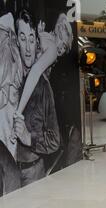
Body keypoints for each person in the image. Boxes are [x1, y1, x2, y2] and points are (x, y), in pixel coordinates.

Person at [13, 9, 61, 187]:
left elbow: (55, 140)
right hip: (7, 172)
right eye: (23, 38)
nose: (27, 48)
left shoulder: (42, 87)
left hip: (32, 173)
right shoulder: (10, 79)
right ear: (16, 40)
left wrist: (28, 137)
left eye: (31, 39)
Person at [0, 12, 23, 159]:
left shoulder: (5, 53)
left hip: (4, 123)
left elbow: (3, 96)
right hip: (8, 121)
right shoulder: (14, 55)